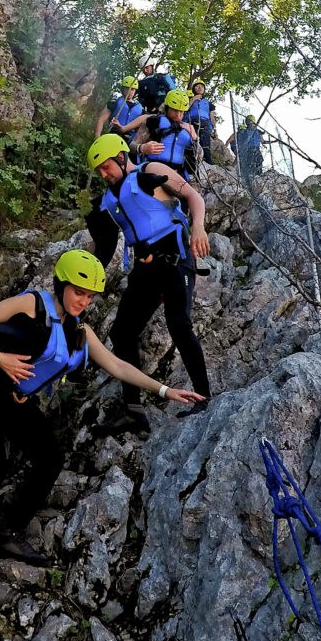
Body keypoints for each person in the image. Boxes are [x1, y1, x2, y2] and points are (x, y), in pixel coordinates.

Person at [0, 249, 205, 571]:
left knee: (51, 459)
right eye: (78, 292)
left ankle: (11, 532)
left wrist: (165, 390)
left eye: (89, 296)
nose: (83, 301)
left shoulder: (79, 333)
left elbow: (117, 366)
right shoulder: (32, 304)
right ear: (61, 285)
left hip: (17, 402)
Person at [85, 134, 212, 434]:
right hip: (144, 268)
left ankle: (204, 398)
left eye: (106, 168)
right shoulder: (108, 200)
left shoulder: (151, 169)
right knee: (122, 331)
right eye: (98, 172)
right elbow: (104, 249)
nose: (103, 175)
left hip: (175, 259)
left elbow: (194, 198)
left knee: (179, 324)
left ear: (119, 157)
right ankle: (133, 411)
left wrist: (198, 227)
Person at [115, 89, 197, 179]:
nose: (178, 114)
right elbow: (131, 146)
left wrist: (195, 138)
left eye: (181, 111)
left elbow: (199, 157)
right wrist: (142, 148)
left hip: (177, 174)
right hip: (153, 170)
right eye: (175, 110)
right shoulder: (154, 122)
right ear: (167, 107)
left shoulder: (188, 129)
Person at [94, 76, 144, 143]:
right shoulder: (115, 102)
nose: (130, 91)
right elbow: (101, 120)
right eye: (127, 88)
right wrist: (97, 138)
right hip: (113, 136)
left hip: (130, 140)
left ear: (135, 91)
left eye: (132, 89)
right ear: (123, 89)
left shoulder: (140, 108)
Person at [185, 80, 217, 165]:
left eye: (202, 86)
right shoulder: (188, 99)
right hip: (192, 121)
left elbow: (212, 116)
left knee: (205, 143)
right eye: (197, 86)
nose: (199, 88)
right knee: (192, 142)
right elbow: (185, 108)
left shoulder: (208, 103)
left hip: (205, 123)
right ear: (193, 88)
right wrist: (193, 99)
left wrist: (214, 129)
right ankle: (191, 161)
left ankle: (207, 162)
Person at [228, 114, 266, 183]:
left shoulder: (256, 131)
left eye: (250, 122)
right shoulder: (246, 131)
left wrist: (267, 142)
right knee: (251, 161)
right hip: (249, 149)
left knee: (259, 160)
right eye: (248, 123)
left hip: (256, 149)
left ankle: (258, 175)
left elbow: (262, 140)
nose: (249, 125)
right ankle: (251, 176)